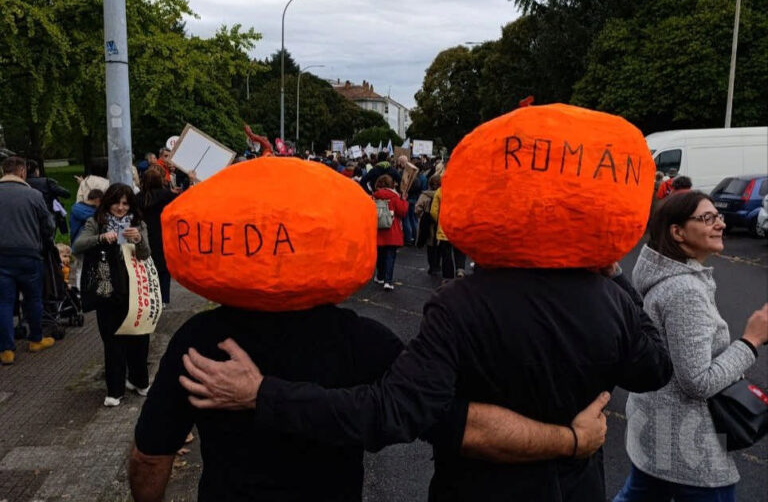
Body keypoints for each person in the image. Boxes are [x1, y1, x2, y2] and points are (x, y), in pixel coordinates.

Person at [129, 158, 612, 502]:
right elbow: (459, 424)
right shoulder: (363, 340)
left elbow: (152, 455)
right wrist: (568, 440)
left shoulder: (197, 341)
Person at [614, 191, 768, 502]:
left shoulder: (662, 275)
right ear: (678, 232)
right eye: (707, 218)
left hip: (656, 433)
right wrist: (751, 340)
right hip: (689, 448)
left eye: (719, 216)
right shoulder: (684, 290)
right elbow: (698, 382)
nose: (720, 224)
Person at [72, 184, 151, 406]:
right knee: (112, 339)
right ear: (108, 203)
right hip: (106, 288)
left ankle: (139, 381)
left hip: (135, 289)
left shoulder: (138, 223)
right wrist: (100, 238)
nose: (120, 207)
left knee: (139, 336)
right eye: (116, 202)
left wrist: (138, 239)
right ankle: (115, 390)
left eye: (125, 203)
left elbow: (146, 254)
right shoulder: (96, 222)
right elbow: (78, 245)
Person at [0, 157, 56, 365]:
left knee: (4, 302)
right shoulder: (34, 195)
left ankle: (6, 349)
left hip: (2, 256)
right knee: (33, 299)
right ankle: (35, 339)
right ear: (22, 171)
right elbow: (48, 226)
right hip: (29, 255)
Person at [137, 167, 178, 306]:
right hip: (163, 234)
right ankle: (164, 298)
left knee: (147, 267)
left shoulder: (139, 198)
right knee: (164, 269)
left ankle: (150, 296)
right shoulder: (166, 195)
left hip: (145, 235)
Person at [372, 175, 408, 291]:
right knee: (390, 256)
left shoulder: (374, 196)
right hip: (392, 230)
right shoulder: (394, 197)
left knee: (380, 255)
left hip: (378, 230)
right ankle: (388, 281)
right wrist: (404, 199)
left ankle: (380, 276)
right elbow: (402, 212)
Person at [430, 186, 466, 279]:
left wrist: (438, 221)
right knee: (460, 249)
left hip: (444, 227)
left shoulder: (440, 191)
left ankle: (448, 275)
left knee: (446, 253)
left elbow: (433, 211)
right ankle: (460, 268)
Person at [69, 189, 103, 288]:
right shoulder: (84, 211)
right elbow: (94, 217)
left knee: (80, 266)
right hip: (81, 242)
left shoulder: (77, 207)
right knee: (81, 268)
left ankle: (80, 288)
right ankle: (80, 290)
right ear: (97, 200)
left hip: (77, 240)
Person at [414, 174, 441, 274]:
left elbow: (417, 209)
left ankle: (432, 266)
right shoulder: (444, 194)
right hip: (440, 223)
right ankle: (437, 264)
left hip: (428, 223)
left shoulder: (425, 195)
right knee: (439, 246)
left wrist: (421, 215)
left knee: (430, 246)